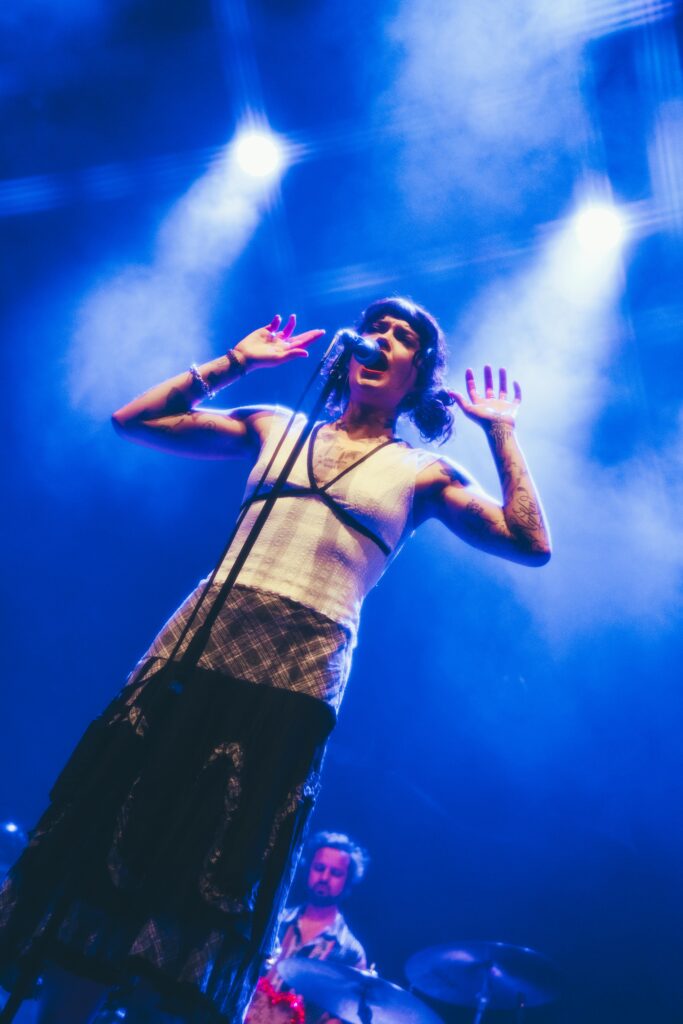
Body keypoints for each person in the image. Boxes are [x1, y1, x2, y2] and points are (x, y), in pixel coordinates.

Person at [0, 297, 551, 1024]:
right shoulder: (277, 425)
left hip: (294, 677)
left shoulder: (423, 472)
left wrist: (501, 434)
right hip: (200, 647)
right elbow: (133, 420)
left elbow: (529, 541)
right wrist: (233, 363)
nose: (381, 340)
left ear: (418, 376)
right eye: (375, 329)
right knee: (113, 850)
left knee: (210, 874)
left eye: (402, 338)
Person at [246, 832, 367, 1024]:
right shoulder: (276, 921)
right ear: (308, 868)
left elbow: (346, 1013)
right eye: (319, 868)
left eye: (335, 873)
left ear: (347, 881)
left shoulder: (350, 952)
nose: (324, 877)